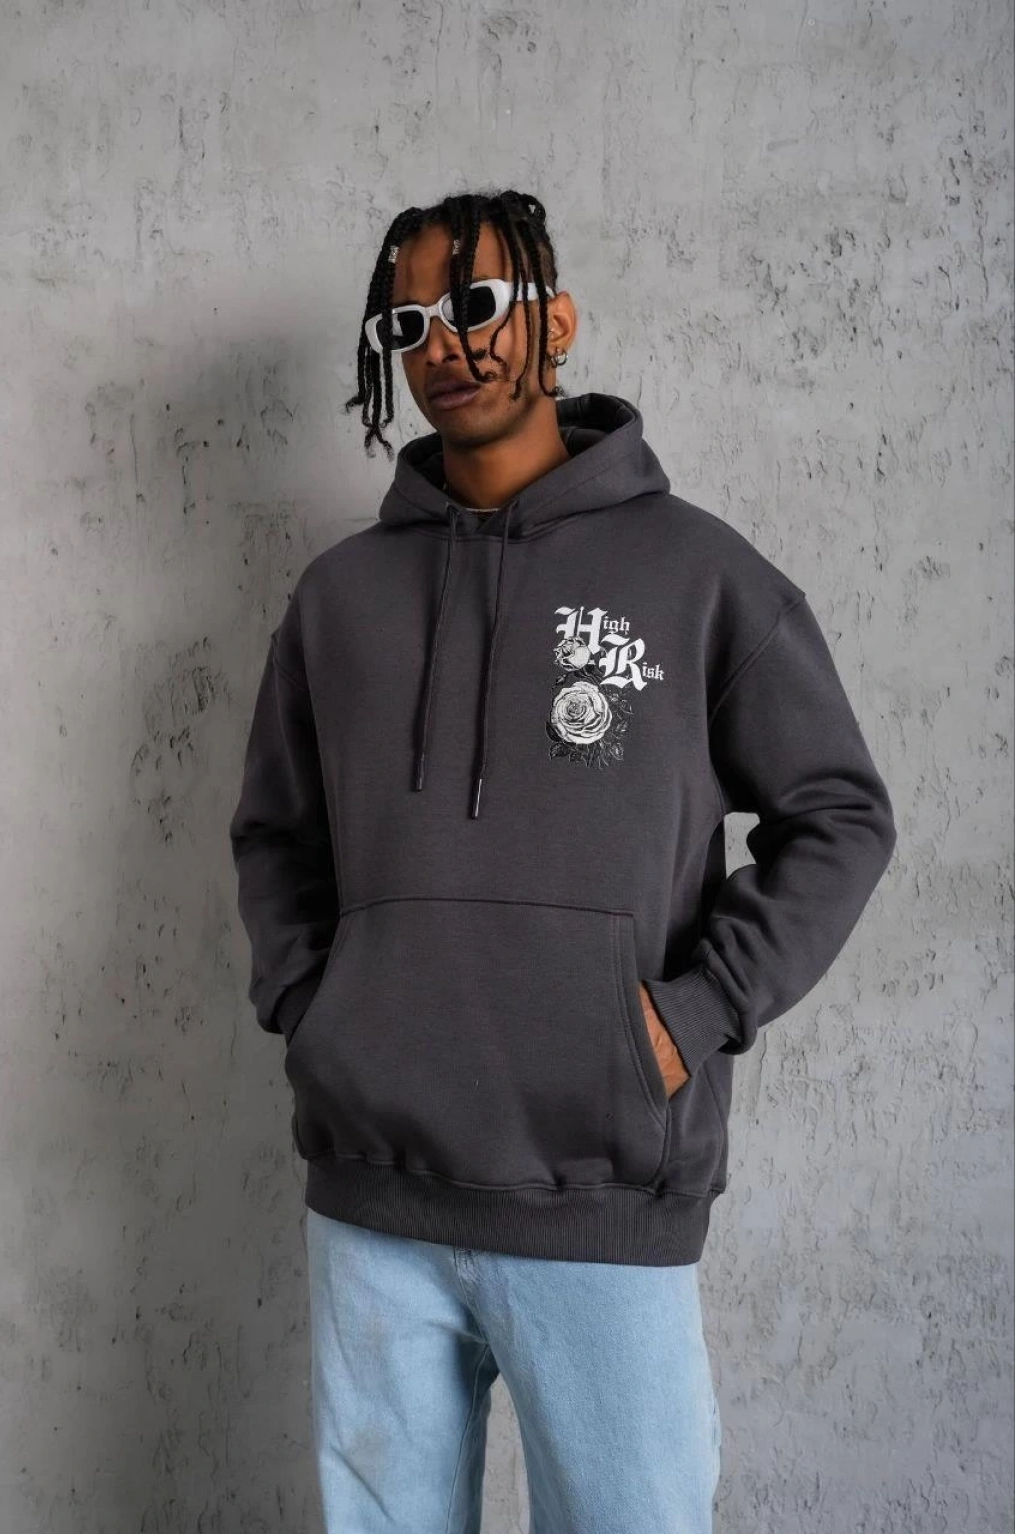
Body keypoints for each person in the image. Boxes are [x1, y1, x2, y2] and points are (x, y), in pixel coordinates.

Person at [228, 187, 897, 1533]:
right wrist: (319, 1009)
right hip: (373, 1200)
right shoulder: (339, 599)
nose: (448, 342)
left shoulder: (699, 576)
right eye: (411, 322)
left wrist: (692, 1017)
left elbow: (839, 812)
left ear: (556, 321)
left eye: (478, 303)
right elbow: (275, 835)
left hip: (601, 1196)